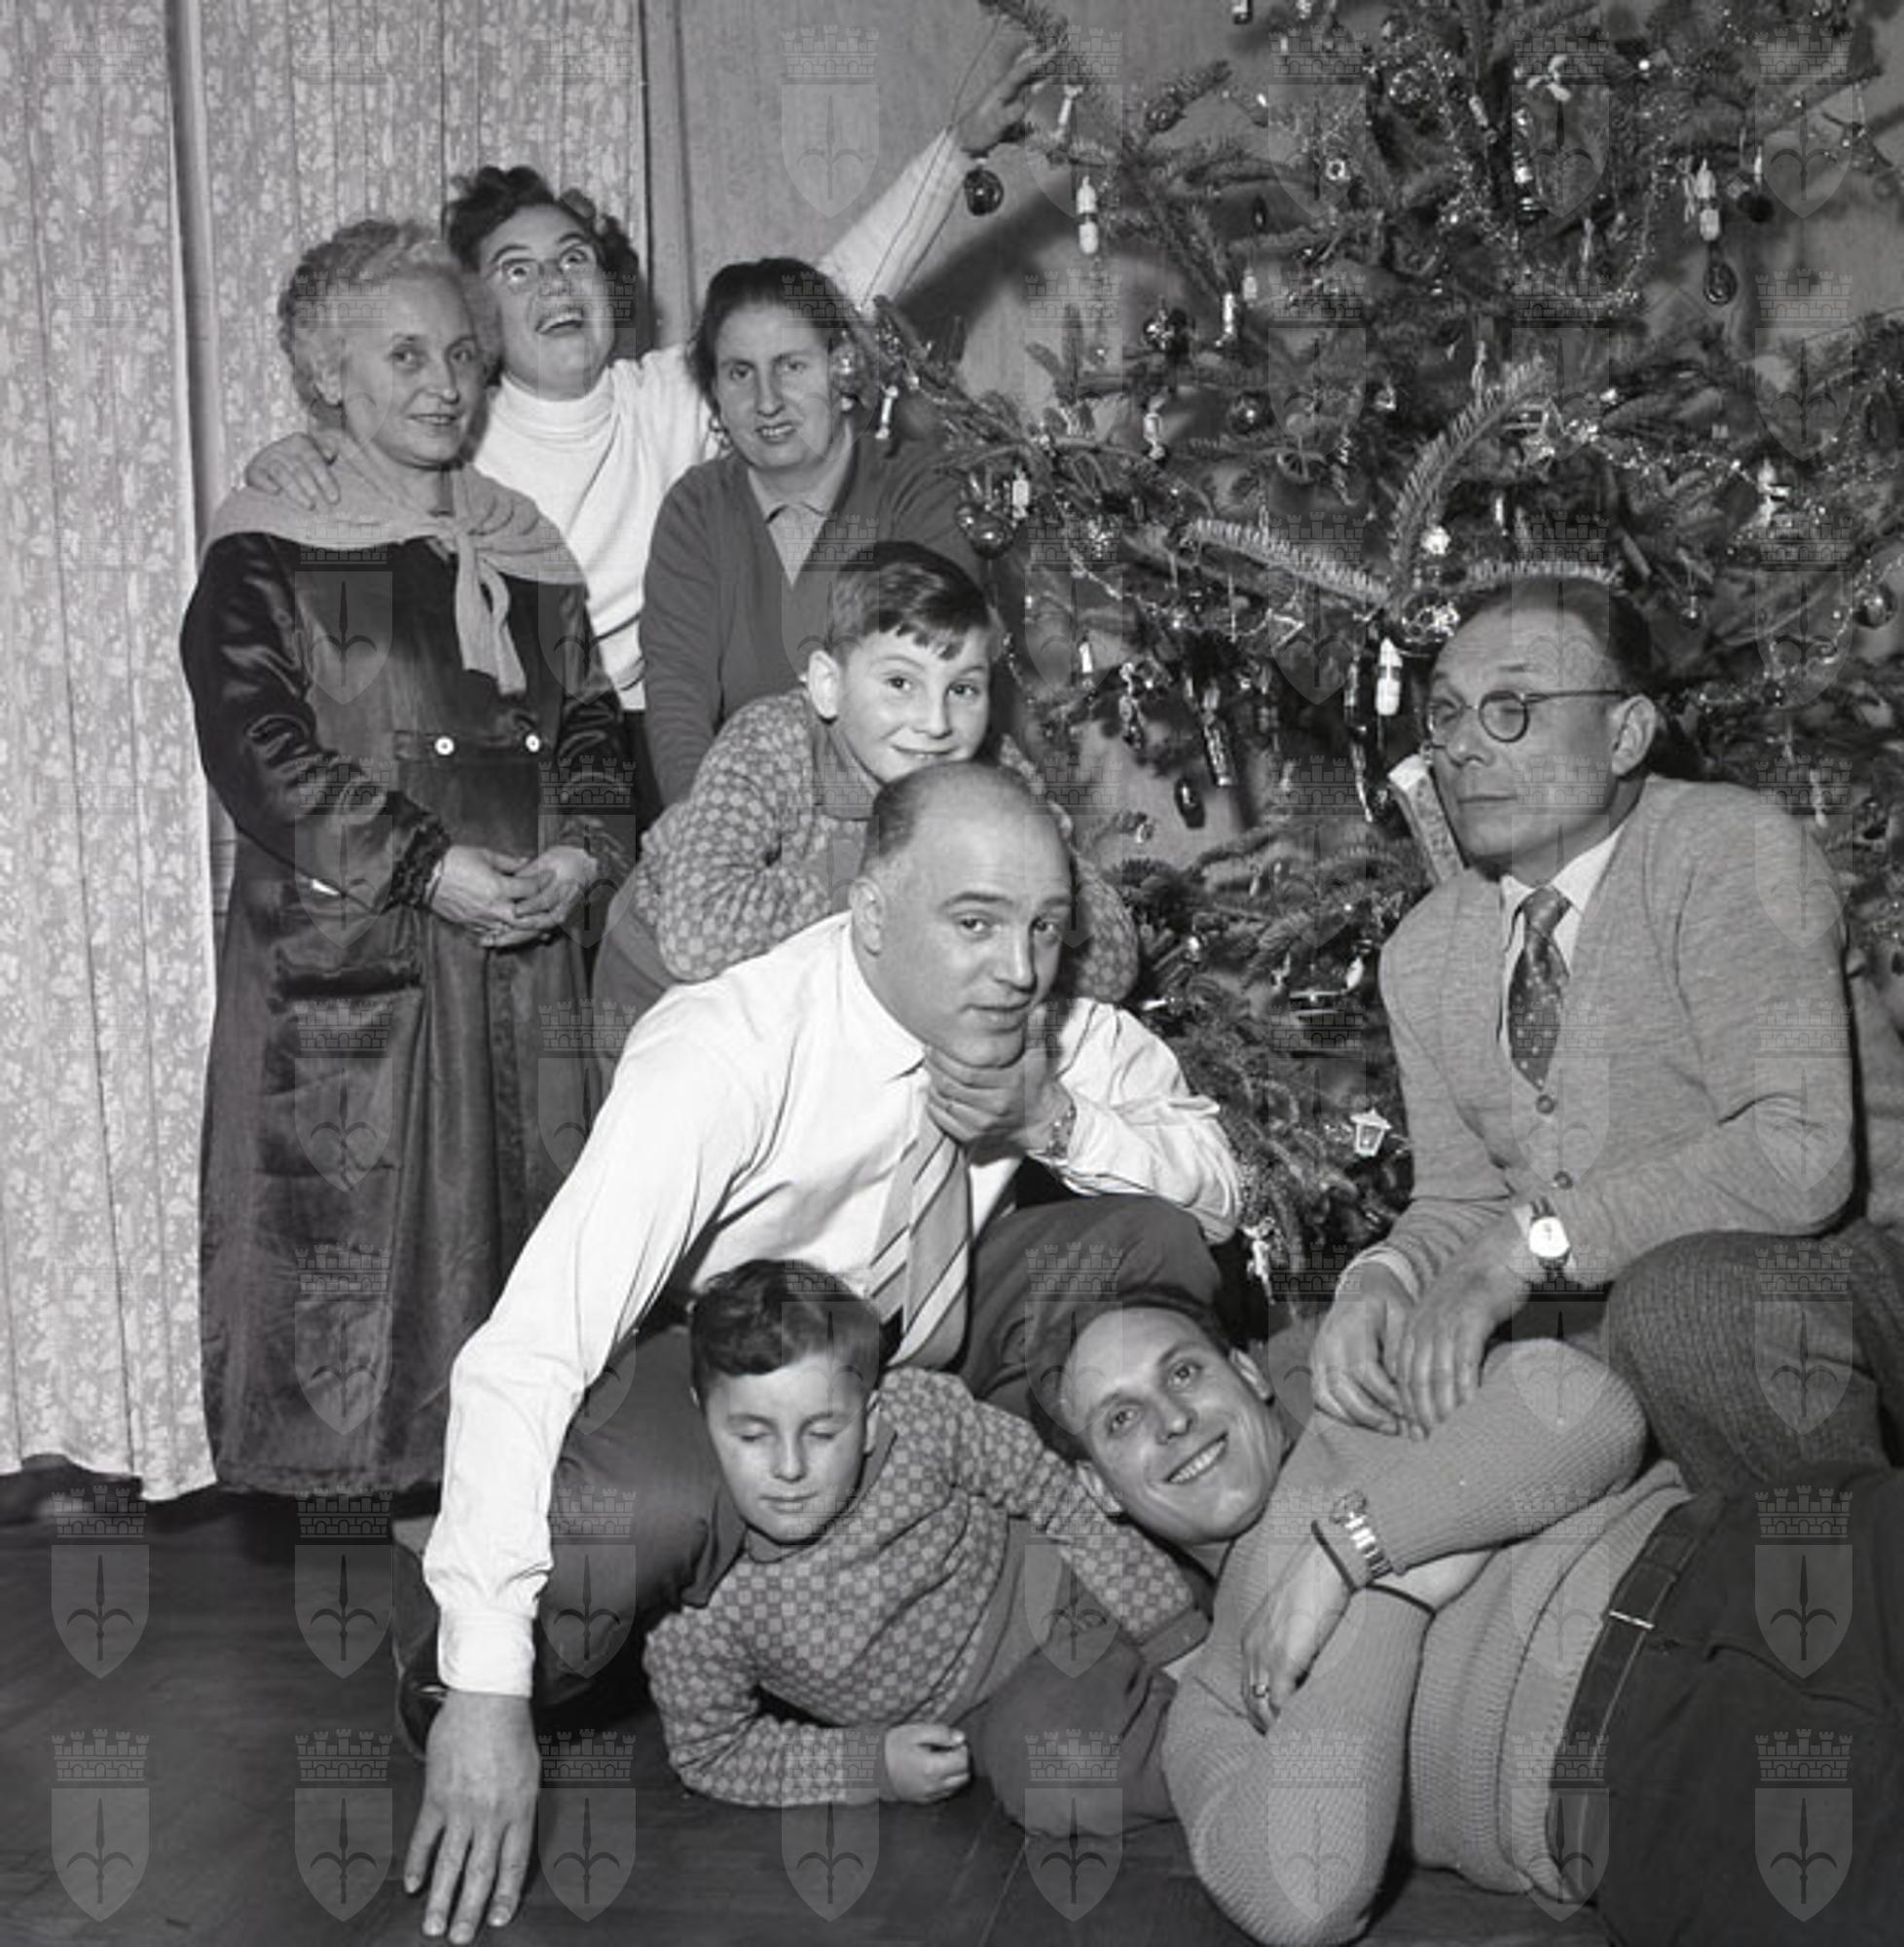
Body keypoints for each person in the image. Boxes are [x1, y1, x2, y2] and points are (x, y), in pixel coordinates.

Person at [401, 761, 1239, 1945]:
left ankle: (1147, 1560)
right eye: (976, 922)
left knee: (1148, 1234)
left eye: (1045, 926)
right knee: (637, 1512)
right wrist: (487, 1687)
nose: (1019, 967)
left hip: (932, 1357)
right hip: (736, 1359)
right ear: (873, 913)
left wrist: (1051, 1120)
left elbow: (1219, 1195)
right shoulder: (724, 1051)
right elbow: (527, 1349)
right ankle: (520, 1650)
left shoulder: (1047, 1026)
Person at [242, 47, 1049, 829]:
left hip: (644, 740)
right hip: (498, 754)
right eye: (517, 270)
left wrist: (957, 150)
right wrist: (294, 454)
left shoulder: (670, 395)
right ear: (474, 315)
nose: (555, 284)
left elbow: (823, 297)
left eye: (574, 259)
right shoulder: (452, 426)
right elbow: (349, 471)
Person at [1032, 1291, 1904, 1946]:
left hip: (1752, 1558)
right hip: (1646, 1774)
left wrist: (1349, 1553)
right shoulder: (1213, 1705)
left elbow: (1589, 1410)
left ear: (1248, 1372)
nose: (1174, 1419)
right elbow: (1301, 1897)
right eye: (1122, 1420)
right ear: (1098, 1488)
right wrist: (1393, 1600)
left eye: (1184, 1371)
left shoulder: (1370, 1399)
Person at [178, 220, 625, 1493]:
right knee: (361, 1315)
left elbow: (593, 723)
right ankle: (382, 1601)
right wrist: (428, 867)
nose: (444, 384)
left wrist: (584, 854)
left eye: (461, 355)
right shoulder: (272, 540)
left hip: (525, 963)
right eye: (405, 356)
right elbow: (258, 747)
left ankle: (509, 1582)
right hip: (362, 970)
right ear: (330, 374)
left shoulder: (522, 540)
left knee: (532, 1285)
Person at [1307, 576, 1904, 1488]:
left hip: (1845, 1275)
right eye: (1448, 714)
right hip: (1617, 1305)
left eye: (1512, 707)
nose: (1462, 746)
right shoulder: (1424, 951)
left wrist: (1527, 1248)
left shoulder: (1729, 852)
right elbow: (1465, 1200)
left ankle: (1834, 1568)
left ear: (1625, 734)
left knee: (1687, 1307)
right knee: (1363, 1388)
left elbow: (1800, 1161)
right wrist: (1383, 1277)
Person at [642, 1261, 1201, 1829]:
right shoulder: (692, 1591)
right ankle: (1227, 1767)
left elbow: (1055, 1490)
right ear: (700, 1416)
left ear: (870, 1417)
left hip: (1077, 1588)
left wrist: (1170, 1631)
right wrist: (869, 1765)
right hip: (1001, 1712)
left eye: (823, 1432)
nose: (789, 1467)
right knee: (1058, 1777)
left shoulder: (917, 1419)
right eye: (752, 1435)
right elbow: (711, 1751)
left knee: (1207, 1567)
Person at [592, 541, 1138, 1051]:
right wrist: (909, 871)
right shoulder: (770, 743)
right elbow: (694, 939)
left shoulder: (994, 771)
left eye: (963, 689)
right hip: (657, 985)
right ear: (828, 685)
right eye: (900, 683)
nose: (936, 723)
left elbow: (1111, 960)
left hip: (810, 999)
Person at [639, 257, 982, 804]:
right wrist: (707, 830)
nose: (767, 400)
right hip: (740, 815)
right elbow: (678, 699)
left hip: (908, 809)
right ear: (714, 392)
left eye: (792, 366)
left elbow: (932, 693)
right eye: (740, 373)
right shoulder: (697, 509)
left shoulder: (920, 488)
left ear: (844, 369)